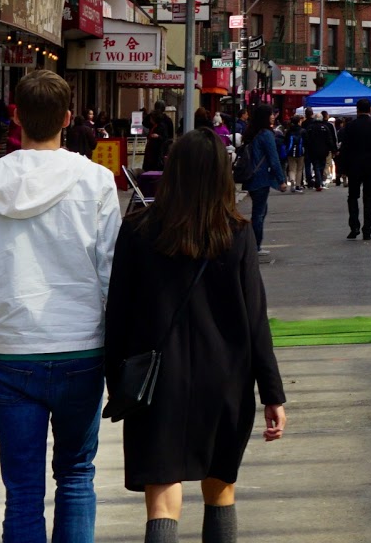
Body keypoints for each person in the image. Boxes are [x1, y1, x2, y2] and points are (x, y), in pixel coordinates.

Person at [0, 70, 121, 543]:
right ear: (68, 118)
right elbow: (112, 274)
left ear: (15, 116)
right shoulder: (97, 182)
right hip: (82, 348)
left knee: (22, 491)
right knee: (77, 476)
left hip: (13, 351)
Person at [104, 129, 286, 543]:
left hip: (155, 383)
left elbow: (117, 314)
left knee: (162, 499)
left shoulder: (136, 232)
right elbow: (256, 321)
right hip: (224, 381)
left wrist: (117, 380)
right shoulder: (237, 234)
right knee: (220, 487)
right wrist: (272, 394)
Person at [337, 97, 371, 240]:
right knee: (369, 198)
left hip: (354, 167)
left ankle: (354, 227)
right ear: (370, 109)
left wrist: (342, 168)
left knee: (353, 197)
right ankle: (367, 229)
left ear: (357, 109)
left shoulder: (350, 126)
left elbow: (345, 149)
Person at [236, 105, 285, 253]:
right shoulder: (266, 134)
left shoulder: (253, 133)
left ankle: (254, 244)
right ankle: (254, 245)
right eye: (270, 114)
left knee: (260, 210)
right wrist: (281, 179)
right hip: (260, 178)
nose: (273, 116)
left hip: (251, 177)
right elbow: (273, 158)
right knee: (259, 212)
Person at [301, 108, 334, 191]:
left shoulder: (310, 128)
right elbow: (329, 139)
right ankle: (319, 182)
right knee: (322, 165)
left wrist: (307, 148)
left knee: (316, 166)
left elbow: (307, 140)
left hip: (313, 150)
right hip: (324, 150)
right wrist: (332, 149)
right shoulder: (325, 127)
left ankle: (318, 182)